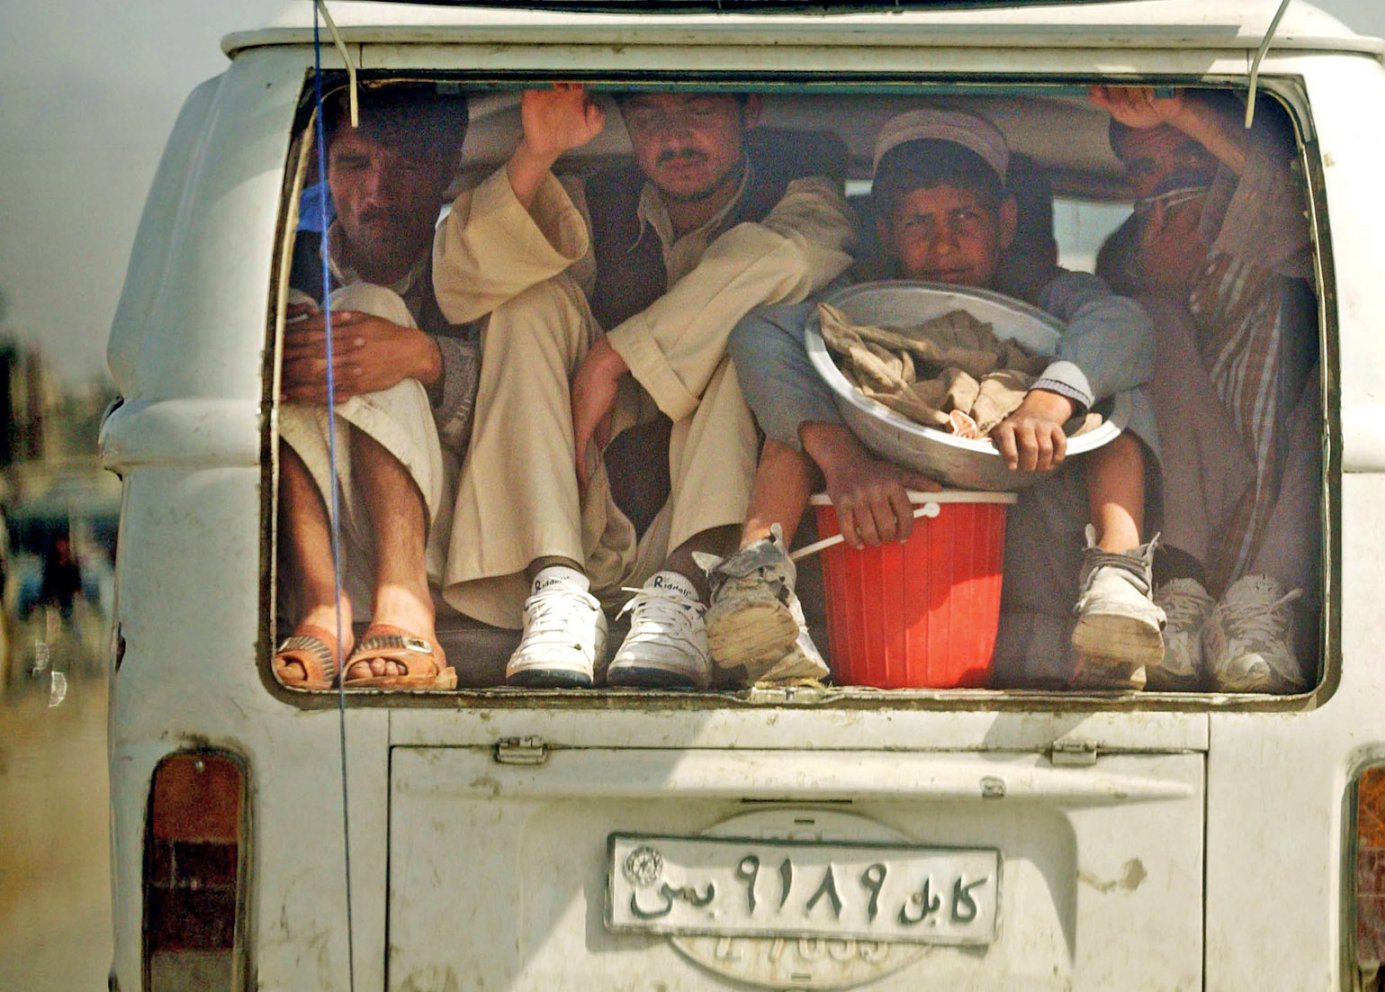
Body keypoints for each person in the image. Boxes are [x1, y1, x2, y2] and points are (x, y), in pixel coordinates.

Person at [713, 108, 1165, 689]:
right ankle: (755, 584)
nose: (942, 242)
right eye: (917, 223)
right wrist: (847, 463)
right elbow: (762, 333)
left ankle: (1117, 579)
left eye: (963, 216)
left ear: (1005, 223)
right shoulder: (858, 302)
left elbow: (1126, 323)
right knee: (791, 424)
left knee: (1115, 397)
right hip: (874, 550)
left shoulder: (1045, 294)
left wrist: (1048, 400)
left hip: (1028, 552)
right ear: (884, 233)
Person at [432, 87, 857, 688]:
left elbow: (786, 257)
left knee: (754, 330)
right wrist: (537, 152)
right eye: (651, 117)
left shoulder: (803, 199)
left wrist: (614, 358)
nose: (674, 137)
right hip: (589, 509)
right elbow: (458, 284)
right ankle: (553, 587)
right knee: (523, 303)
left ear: (750, 111)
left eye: (698, 111)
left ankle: (683, 590)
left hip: (704, 544)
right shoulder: (596, 199)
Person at [1091, 86, 1322, 693]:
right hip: (1181, 533)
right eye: (1146, 169)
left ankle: (1256, 607)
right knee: (1143, 326)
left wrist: (1179, 112)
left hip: (1273, 523)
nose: (1168, 182)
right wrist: (1163, 291)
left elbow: (1299, 199)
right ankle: (1182, 593)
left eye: (1187, 157)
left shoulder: (1286, 248)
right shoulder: (1126, 260)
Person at [273, 86, 473, 690]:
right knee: (292, 320)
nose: (377, 194)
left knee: (365, 306)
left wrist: (424, 357)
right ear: (324, 173)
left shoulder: (480, 263)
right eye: (354, 165)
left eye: (405, 164)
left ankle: (404, 598)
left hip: (460, 550)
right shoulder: (285, 267)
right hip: (330, 541)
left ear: (443, 172)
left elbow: (526, 399)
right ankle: (321, 603)